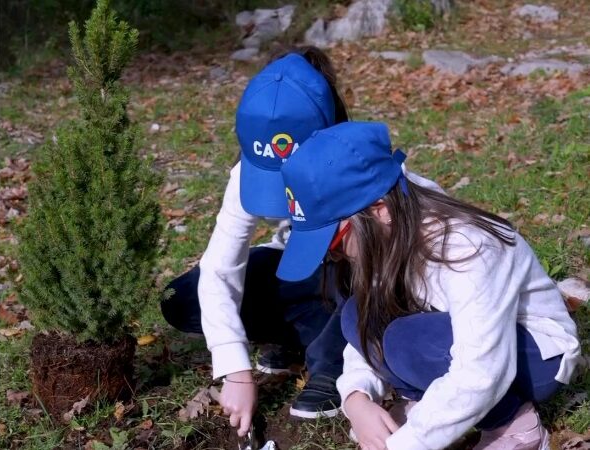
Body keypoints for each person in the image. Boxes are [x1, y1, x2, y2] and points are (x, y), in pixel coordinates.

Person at [275, 121, 581, 450]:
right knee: (355, 315)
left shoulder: (469, 247)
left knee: (406, 340)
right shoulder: (385, 235)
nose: (333, 258)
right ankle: (431, 403)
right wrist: (356, 397)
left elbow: (481, 371)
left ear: (380, 211)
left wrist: (406, 444)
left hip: (532, 355)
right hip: (452, 342)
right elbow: (364, 334)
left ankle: (513, 425)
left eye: (333, 244)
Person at [161, 47, 351, 437]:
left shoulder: (356, 163)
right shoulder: (245, 171)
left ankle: (331, 362)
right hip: (298, 268)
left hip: (348, 272)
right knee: (181, 298)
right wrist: (236, 370)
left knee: (353, 284)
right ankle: (301, 334)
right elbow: (219, 269)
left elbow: (386, 270)